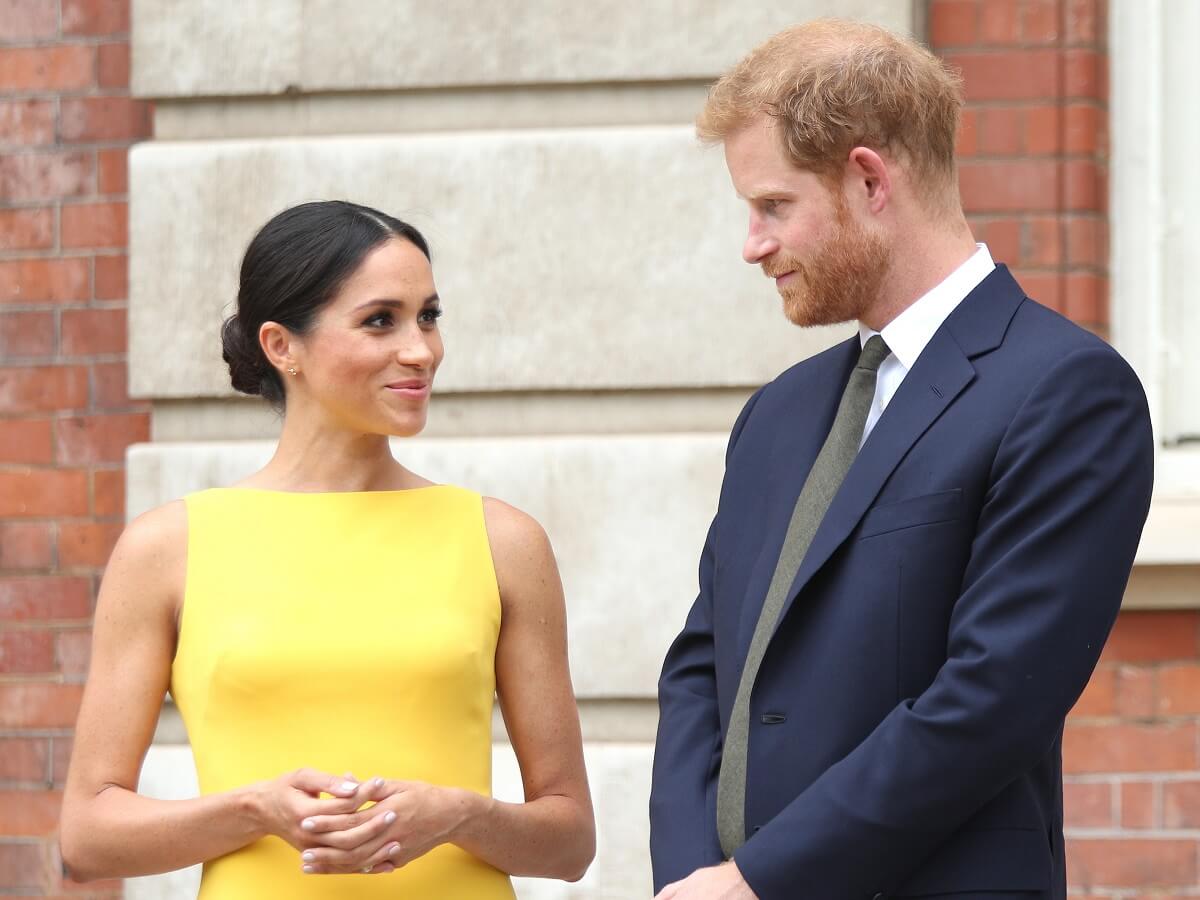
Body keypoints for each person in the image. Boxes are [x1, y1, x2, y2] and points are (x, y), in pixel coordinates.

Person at [649, 19, 1153, 900]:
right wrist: (693, 874)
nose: (753, 244)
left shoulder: (1067, 393)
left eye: (773, 206)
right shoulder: (778, 414)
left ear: (868, 179)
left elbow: (990, 704)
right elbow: (701, 669)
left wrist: (755, 882)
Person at [60, 200, 595, 898]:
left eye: (428, 316)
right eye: (381, 320)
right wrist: (251, 810)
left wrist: (461, 813)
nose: (421, 350)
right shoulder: (168, 548)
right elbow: (87, 835)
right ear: (282, 346)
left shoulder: (503, 542)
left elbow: (570, 841)